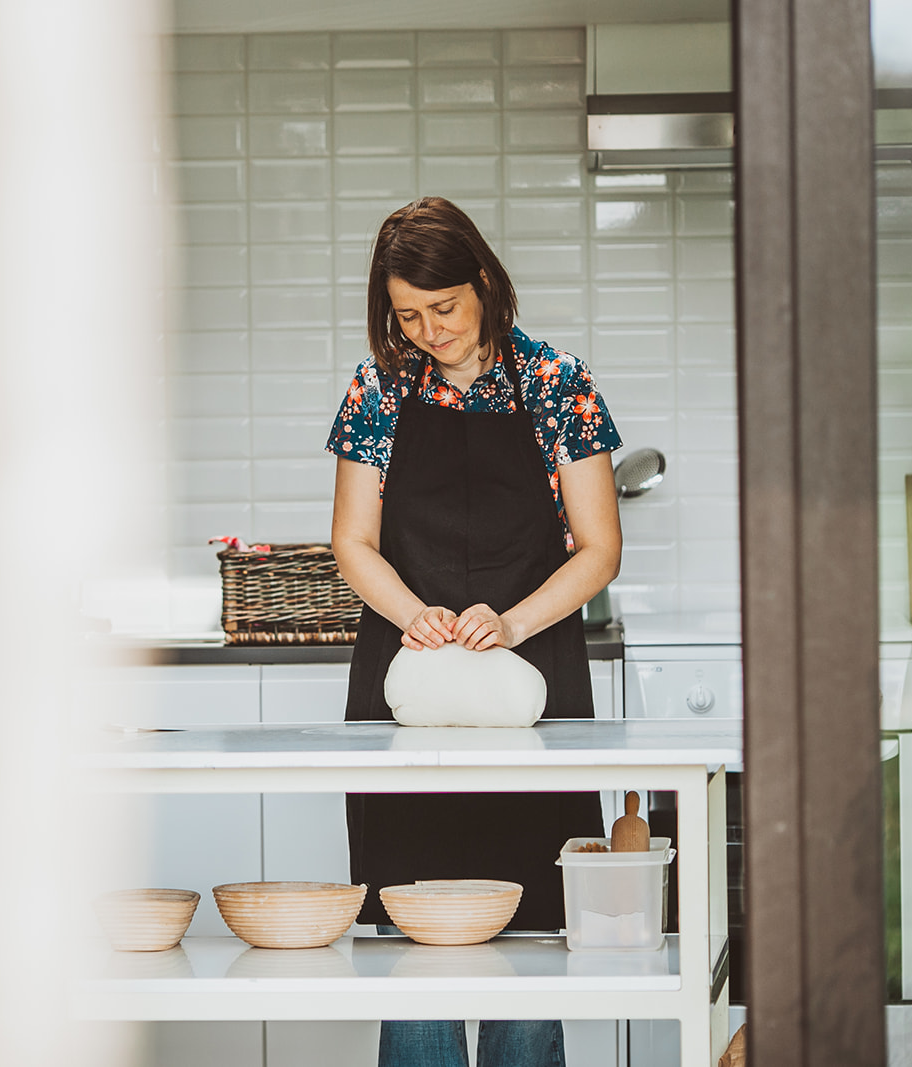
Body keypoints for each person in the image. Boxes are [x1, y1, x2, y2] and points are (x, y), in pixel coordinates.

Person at [326, 196, 624, 1067]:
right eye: (408, 315)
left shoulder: (556, 383)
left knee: (530, 933)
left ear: (486, 283)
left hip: (531, 679)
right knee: (411, 933)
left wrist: (513, 623)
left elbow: (599, 547)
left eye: (445, 307)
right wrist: (414, 616)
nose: (429, 331)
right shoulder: (378, 386)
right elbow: (353, 540)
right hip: (406, 677)